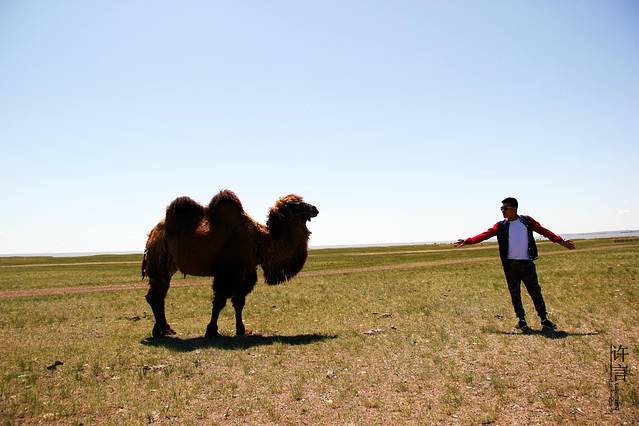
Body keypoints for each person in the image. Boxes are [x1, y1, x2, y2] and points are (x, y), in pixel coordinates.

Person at [454, 197, 575, 332]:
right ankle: (521, 320)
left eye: (505, 208)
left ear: (514, 209)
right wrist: (468, 241)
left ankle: (544, 319)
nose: (503, 211)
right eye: (501, 208)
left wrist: (561, 241)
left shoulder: (527, 221)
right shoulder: (501, 225)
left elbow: (544, 231)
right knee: (515, 294)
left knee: (535, 292)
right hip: (510, 265)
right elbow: (485, 235)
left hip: (527, 263)